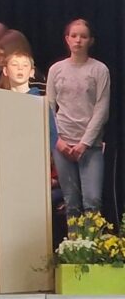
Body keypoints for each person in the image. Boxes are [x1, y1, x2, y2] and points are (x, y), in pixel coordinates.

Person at [47, 19, 109, 218]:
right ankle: (74, 239)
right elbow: (48, 106)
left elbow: (102, 108)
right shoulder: (56, 69)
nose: (78, 40)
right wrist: (57, 140)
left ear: (91, 40)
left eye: (83, 36)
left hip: (90, 145)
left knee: (92, 200)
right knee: (71, 202)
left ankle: (91, 238)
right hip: (63, 143)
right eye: (74, 36)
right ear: (67, 39)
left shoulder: (99, 69)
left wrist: (85, 143)